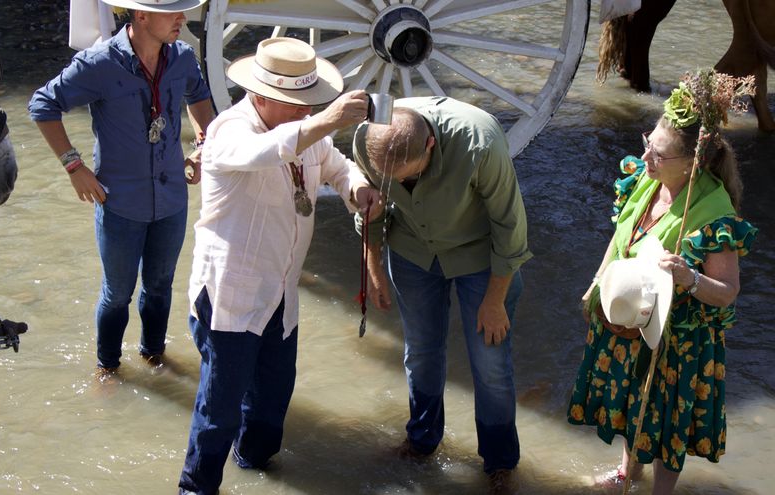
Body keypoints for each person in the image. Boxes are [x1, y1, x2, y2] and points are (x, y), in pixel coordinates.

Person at [177, 37, 381, 494]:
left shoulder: (307, 129)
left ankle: (254, 468)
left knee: (271, 403)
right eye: (296, 105)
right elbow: (263, 153)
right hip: (231, 296)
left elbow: (336, 164)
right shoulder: (228, 131)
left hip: (280, 295)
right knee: (219, 412)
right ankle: (196, 488)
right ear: (262, 96)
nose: (305, 113)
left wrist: (357, 189)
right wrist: (329, 118)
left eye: (310, 105)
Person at [568, 69, 758, 494]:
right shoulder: (645, 179)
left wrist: (690, 277)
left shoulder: (714, 213)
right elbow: (620, 237)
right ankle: (627, 473)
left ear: (693, 164)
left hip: (681, 340)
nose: (648, 158)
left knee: (667, 416)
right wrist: (596, 288)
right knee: (634, 399)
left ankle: (660, 492)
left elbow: (727, 294)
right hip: (634, 316)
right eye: (648, 145)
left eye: (659, 154)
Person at [28, 0, 215, 382]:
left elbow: (199, 97)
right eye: (174, 12)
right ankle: (107, 368)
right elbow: (43, 104)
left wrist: (203, 143)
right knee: (117, 294)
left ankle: (154, 356)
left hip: (171, 200)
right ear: (141, 16)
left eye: (184, 10)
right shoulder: (98, 63)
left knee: (161, 286)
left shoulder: (181, 58)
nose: (183, 18)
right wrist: (73, 166)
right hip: (119, 204)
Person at [352, 97, 532, 492]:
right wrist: (375, 269)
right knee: (420, 352)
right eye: (391, 178)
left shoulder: (481, 142)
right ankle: (421, 442)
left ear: (430, 145)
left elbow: (510, 226)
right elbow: (371, 208)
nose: (401, 185)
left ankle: (499, 463)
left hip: (479, 256)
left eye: (408, 177)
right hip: (413, 251)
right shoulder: (368, 138)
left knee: (490, 364)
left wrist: (494, 299)